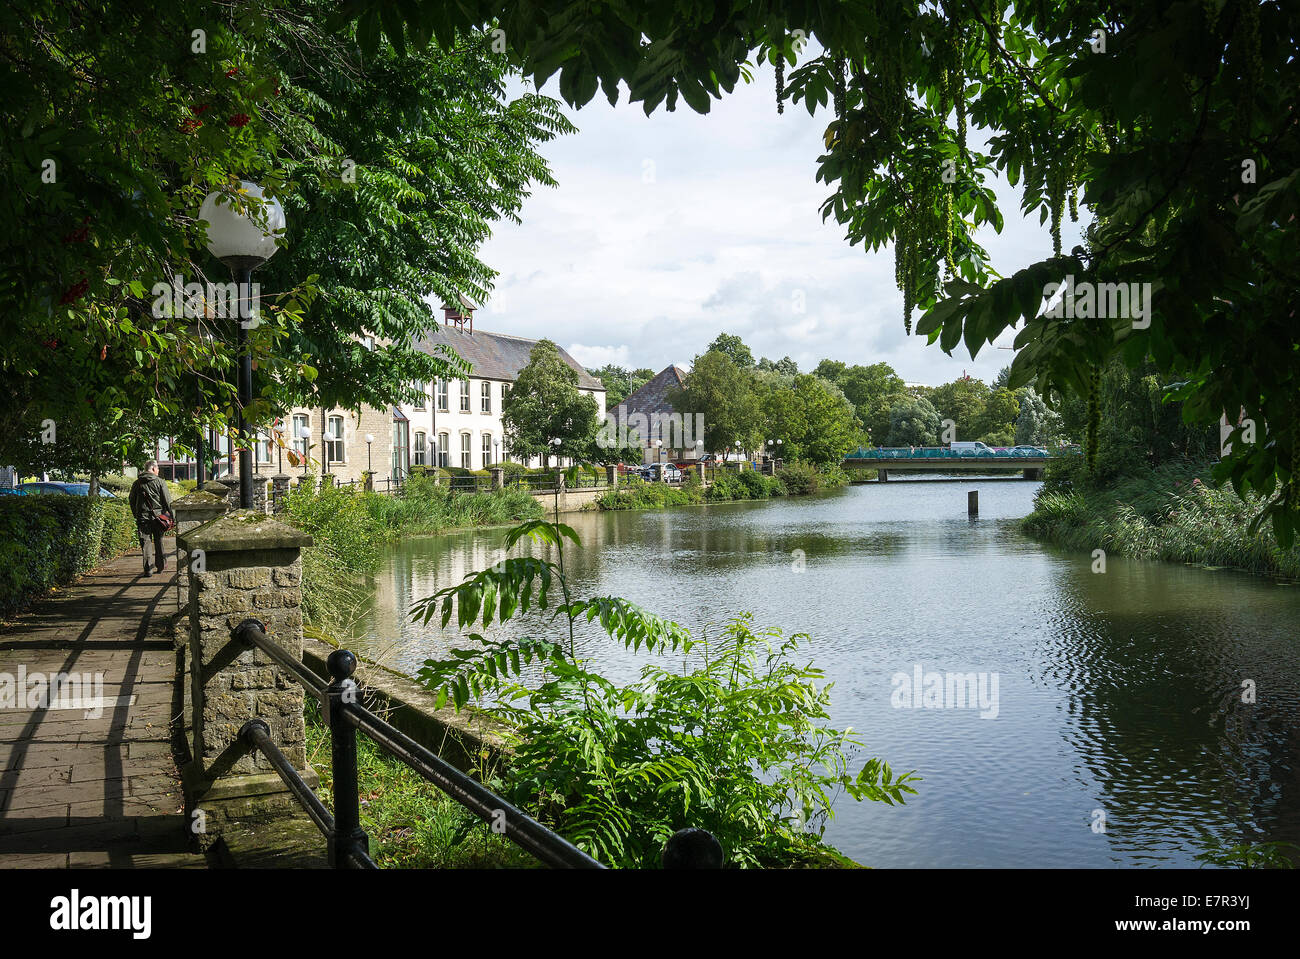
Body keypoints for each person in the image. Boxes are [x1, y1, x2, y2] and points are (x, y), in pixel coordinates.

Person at [129, 460, 174, 577]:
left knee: (145, 543)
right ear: (153, 469)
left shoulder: (137, 483)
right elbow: (167, 501)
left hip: (142, 518)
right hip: (158, 518)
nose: (158, 471)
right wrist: (173, 517)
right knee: (159, 541)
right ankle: (161, 566)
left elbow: (131, 500)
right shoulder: (160, 482)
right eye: (158, 469)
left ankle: (148, 569)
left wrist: (136, 514)